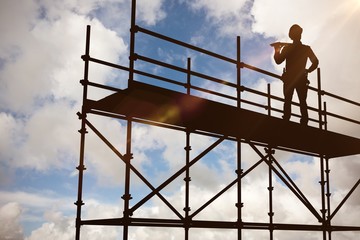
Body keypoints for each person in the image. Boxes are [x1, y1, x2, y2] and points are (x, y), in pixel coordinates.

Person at [272, 24, 319, 125]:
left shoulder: (288, 48)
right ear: (300, 35)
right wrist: (307, 71)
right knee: (302, 101)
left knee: (288, 100)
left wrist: (277, 49)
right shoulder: (306, 49)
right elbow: (315, 62)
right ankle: (304, 121)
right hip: (301, 78)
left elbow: (278, 61)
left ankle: (286, 119)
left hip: (290, 78)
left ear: (291, 36)